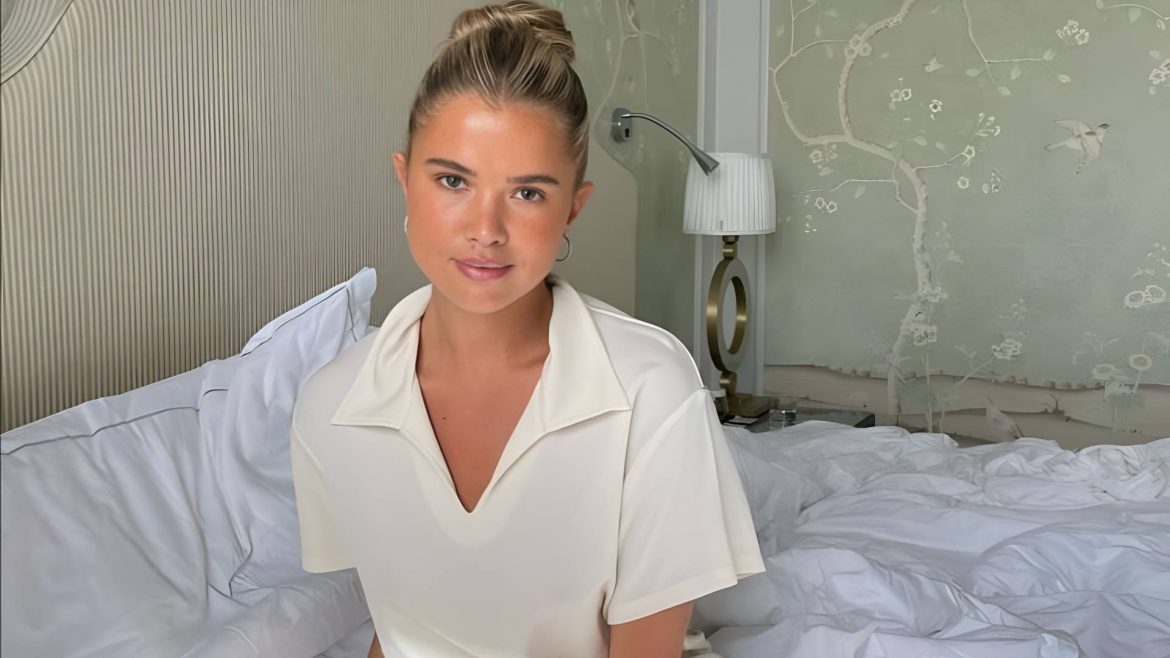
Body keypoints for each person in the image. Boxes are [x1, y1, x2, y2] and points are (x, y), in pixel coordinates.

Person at [290, 2, 764, 656]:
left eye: (528, 193)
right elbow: (404, 625)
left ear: (573, 207)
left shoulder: (651, 388)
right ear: (404, 180)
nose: (485, 229)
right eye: (453, 180)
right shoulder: (328, 406)